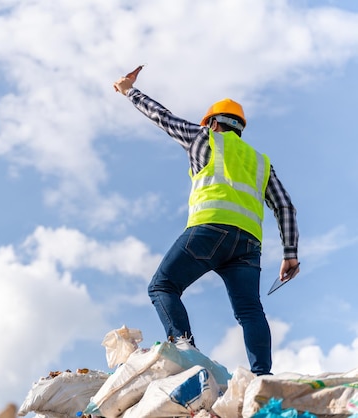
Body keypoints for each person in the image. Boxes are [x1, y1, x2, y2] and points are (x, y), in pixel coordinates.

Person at [113, 72, 299, 376]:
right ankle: (262, 376)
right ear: (239, 129)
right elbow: (284, 206)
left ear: (212, 122)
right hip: (248, 244)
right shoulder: (261, 162)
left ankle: (187, 357)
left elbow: (163, 117)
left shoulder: (204, 138)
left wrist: (129, 91)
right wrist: (290, 252)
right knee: (250, 311)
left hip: (208, 229)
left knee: (162, 286)